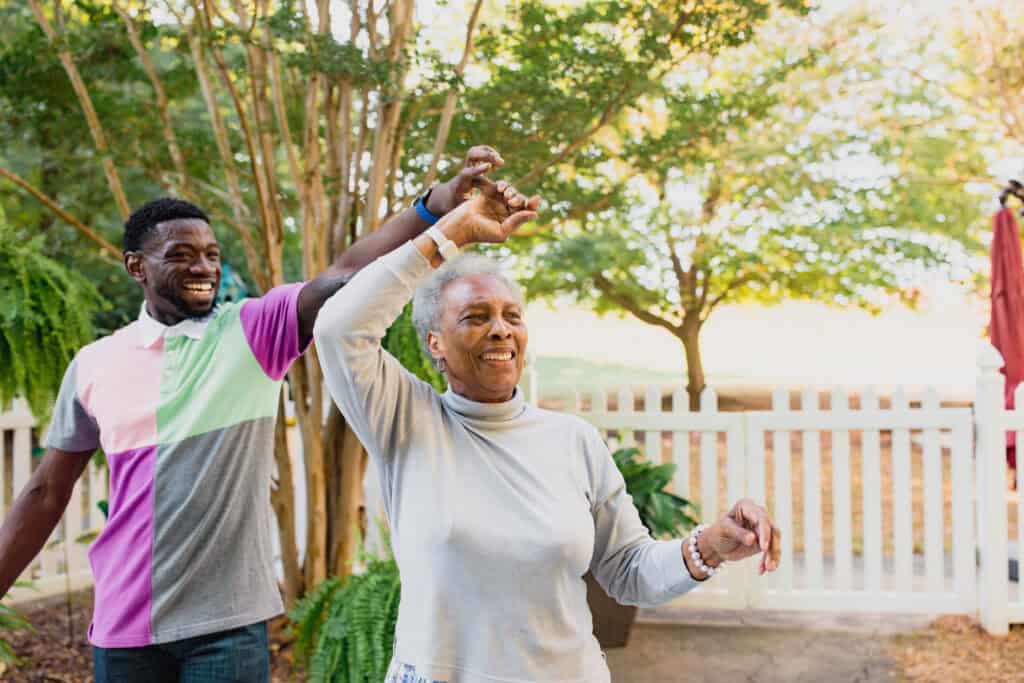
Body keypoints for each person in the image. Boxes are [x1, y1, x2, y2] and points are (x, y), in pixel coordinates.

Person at [0, 146, 507, 682]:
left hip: (226, 630)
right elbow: (45, 494)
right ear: (136, 267)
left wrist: (436, 206)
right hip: (125, 629)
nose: (203, 267)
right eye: (180, 255)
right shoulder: (93, 365)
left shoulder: (252, 331)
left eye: (212, 254)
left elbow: (346, 273)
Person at [313, 177, 783, 683]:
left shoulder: (573, 440)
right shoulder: (405, 419)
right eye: (475, 317)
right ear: (435, 343)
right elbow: (338, 329)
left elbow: (628, 571)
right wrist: (451, 234)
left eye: (511, 316)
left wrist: (711, 545)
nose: (500, 329)